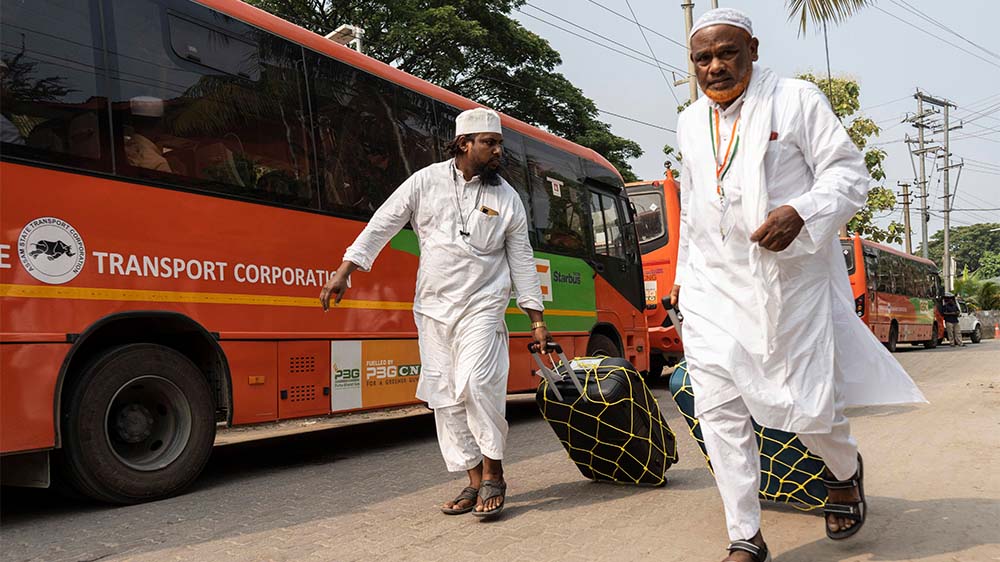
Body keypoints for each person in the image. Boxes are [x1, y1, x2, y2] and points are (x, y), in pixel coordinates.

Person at [668, 9, 927, 561]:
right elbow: (692, 208)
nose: (714, 67)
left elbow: (849, 174)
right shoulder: (690, 120)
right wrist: (681, 280)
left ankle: (843, 468)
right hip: (714, 287)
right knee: (719, 409)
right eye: (702, 59)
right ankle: (745, 535)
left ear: (753, 49)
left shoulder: (798, 99)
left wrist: (801, 212)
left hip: (789, 283)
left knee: (807, 407)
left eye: (726, 53)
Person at [319, 107, 549, 520]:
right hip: (433, 309)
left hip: (483, 305)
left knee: (477, 383)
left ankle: (496, 472)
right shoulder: (425, 181)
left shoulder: (506, 197)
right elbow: (382, 224)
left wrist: (536, 318)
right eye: (490, 143)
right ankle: (475, 480)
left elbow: (522, 259)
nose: (498, 151)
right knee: (445, 398)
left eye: (499, 143)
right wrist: (345, 271)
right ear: (465, 144)